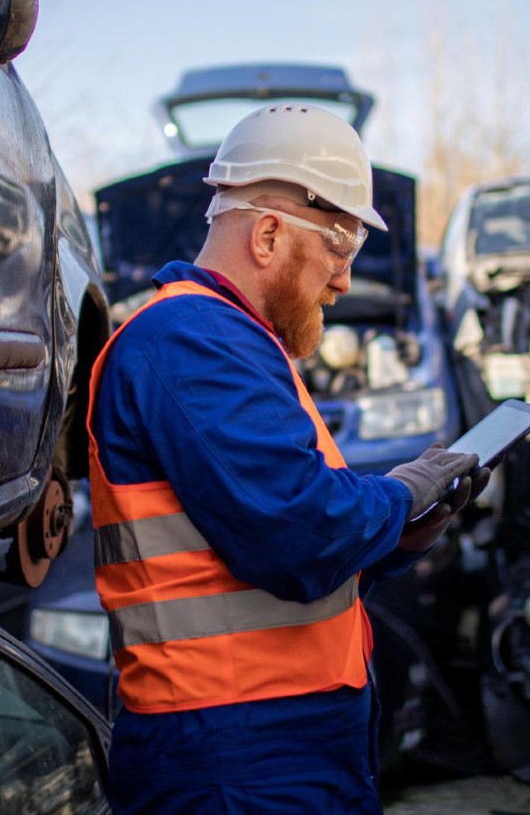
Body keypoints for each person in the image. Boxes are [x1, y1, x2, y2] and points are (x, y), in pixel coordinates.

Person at [85, 103, 490, 812]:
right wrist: (400, 495)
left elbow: (263, 555)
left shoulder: (231, 341)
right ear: (268, 233)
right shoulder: (192, 339)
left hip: (275, 740)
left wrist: (398, 535)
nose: (343, 281)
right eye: (340, 250)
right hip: (234, 754)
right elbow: (298, 536)